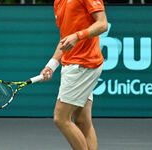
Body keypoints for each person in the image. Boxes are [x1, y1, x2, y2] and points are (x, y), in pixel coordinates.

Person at [40, 0, 108, 150]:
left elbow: (103, 24)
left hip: (82, 64)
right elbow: (65, 39)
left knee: (61, 118)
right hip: (74, 64)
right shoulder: (58, 2)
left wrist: (78, 36)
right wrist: (52, 65)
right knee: (82, 120)